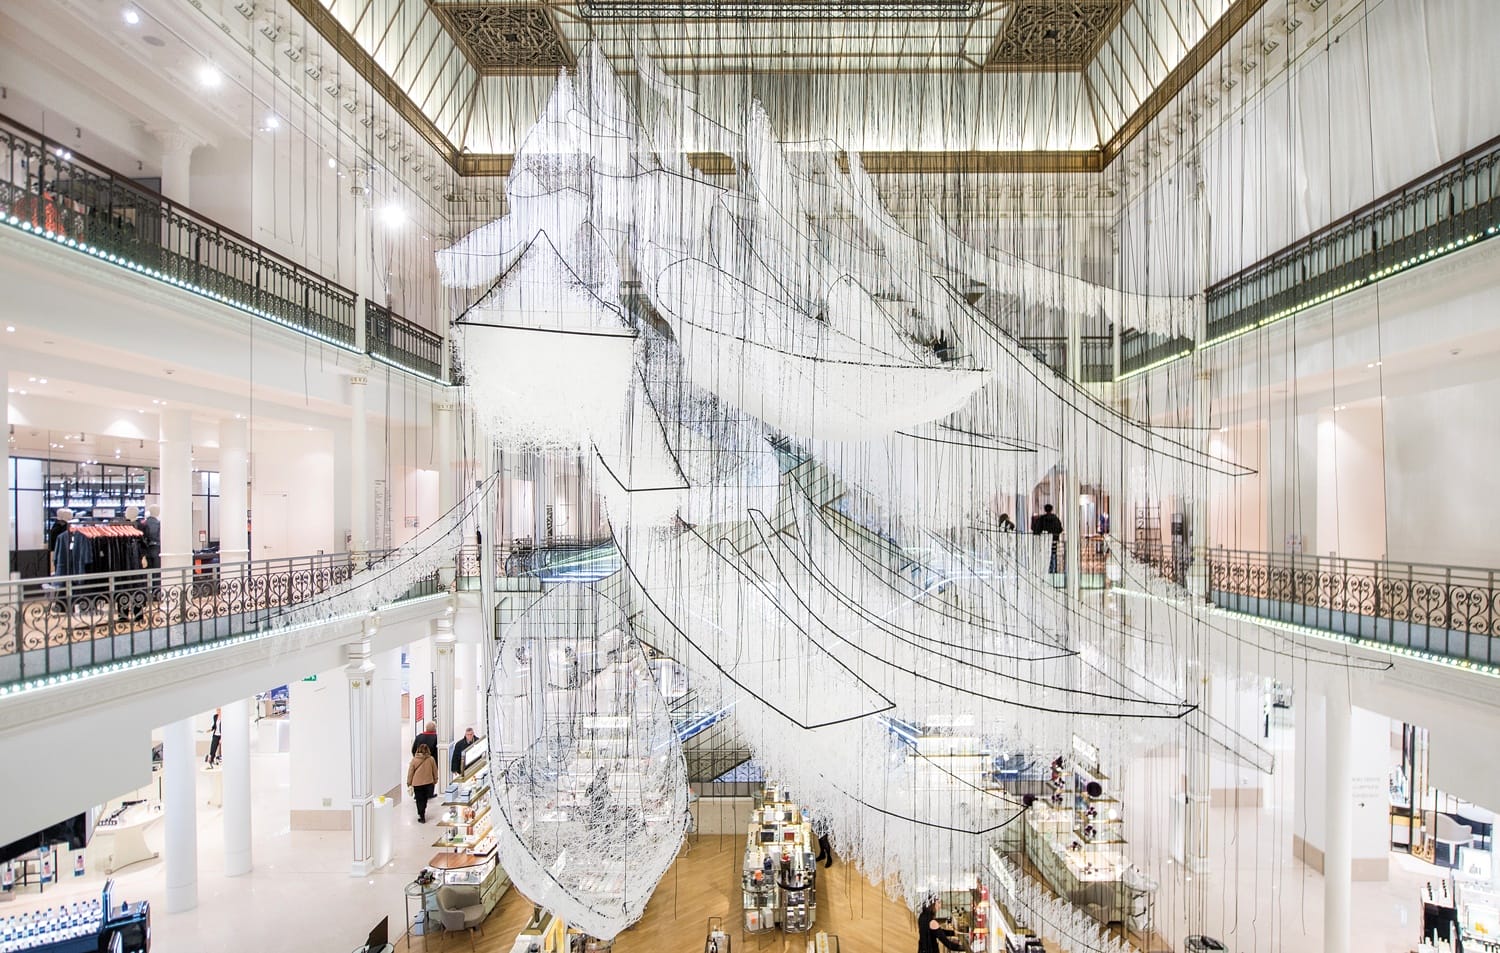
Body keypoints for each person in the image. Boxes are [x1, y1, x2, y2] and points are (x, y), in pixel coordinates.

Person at [406, 745, 439, 823]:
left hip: (417, 784)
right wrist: (435, 779)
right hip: (428, 782)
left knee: (419, 799)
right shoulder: (431, 759)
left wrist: (409, 782)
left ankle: (421, 814)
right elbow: (435, 770)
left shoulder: (414, 760)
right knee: (424, 799)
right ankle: (423, 811)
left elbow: (410, 772)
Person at [1032, 503, 1064, 572]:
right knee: (1053, 554)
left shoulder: (1042, 519)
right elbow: (1060, 529)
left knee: (1045, 554)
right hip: (1054, 540)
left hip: (1044, 541)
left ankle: (1047, 569)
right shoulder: (1055, 519)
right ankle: (1053, 570)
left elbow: (1037, 530)